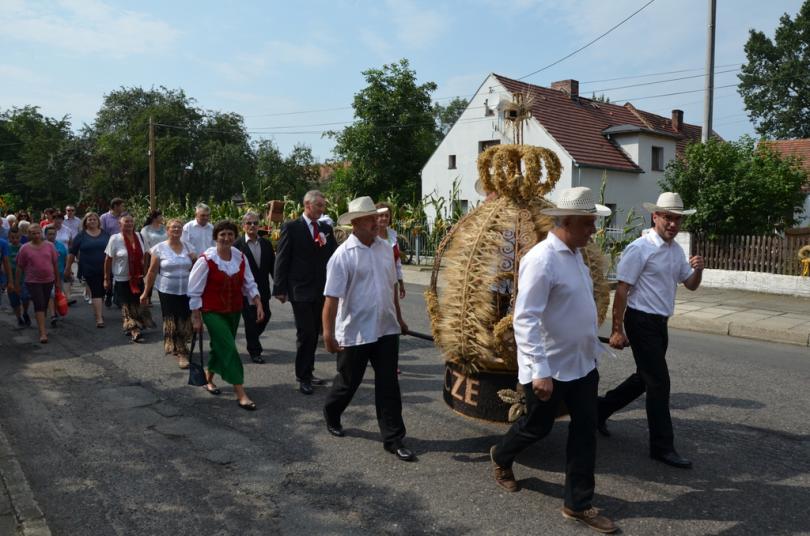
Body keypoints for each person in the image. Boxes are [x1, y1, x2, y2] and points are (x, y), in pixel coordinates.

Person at [489, 187, 617, 534]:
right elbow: (525, 319)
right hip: (550, 367)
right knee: (537, 426)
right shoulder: (541, 259)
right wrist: (540, 372)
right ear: (568, 221)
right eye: (589, 222)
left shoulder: (576, 254)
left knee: (584, 433)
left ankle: (578, 504)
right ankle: (501, 456)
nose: (593, 229)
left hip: (582, 364)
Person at [598, 192, 704, 470]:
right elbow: (622, 290)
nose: (672, 223)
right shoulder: (640, 248)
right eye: (667, 217)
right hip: (641, 321)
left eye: (677, 219)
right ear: (654, 216)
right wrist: (617, 329)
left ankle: (599, 409)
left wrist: (698, 270)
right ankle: (662, 447)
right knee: (659, 383)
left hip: (660, 323)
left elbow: (690, 284)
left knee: (644, 379)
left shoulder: (675, 250)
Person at [322, 197, 413, 462]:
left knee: (389, 385)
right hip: (356, 331)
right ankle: (332, 412)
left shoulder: (385, 248)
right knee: (348, 382)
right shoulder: (342, 255)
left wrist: (399, 317)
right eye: (372, 219)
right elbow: (331, 298)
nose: (377, 222)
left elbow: (391, 286)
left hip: (386, 328)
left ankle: (394, 438)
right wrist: (328, 334)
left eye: (378, 217)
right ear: (357, 223)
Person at [188, 220, 264, 410]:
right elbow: (194, 290)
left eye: (230, 234)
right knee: (229, 347)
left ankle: (208, 378)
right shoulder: (206, 260)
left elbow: (249, 283)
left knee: (219, 346)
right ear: (216, 237)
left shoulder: (240, 257)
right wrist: (196, 316)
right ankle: (240, 392)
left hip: (234, 310)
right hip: (212, 311)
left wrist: (258, 302)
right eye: (222, 234)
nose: (226, 238)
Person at [273, 190, 338, 395]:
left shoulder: (326, 229)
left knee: (314, 332)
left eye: (323, 205)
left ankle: (308, 371)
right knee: (306, 333)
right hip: (299, 289)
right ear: (307, 205)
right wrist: (280, 289)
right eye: (319, 205)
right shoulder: (292, 227)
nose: (322, 209)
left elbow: (335, 257)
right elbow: (282, 258)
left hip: (321, 288)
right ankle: (303, 376)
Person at [141, 219, 194, 369]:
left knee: (185, 319)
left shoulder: (188, 247)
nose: (176, 230)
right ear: (167, 231)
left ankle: (180, 346)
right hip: (167, 290)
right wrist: (146, 292)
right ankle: (180, 350)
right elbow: (151, 272)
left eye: (179, 227)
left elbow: (197, 266)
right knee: (172, 319)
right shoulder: (159, 249)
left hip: (186, 289)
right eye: (173, 227)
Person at [104, 214, 155, 342]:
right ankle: (134, 329)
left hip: (138, 277)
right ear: (120, 224)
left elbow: (146, 254)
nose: (129, 224)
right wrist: (106, 278)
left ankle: (137, 323)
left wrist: (146, 271)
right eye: (126, 222)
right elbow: (108, 260)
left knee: (137, 303)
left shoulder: (140, 236)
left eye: (131, 222)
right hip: (122, 278)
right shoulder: (115, 239)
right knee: (126, 305)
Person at [234, 211, 275, 364]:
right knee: (251, 320)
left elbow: (273, 266)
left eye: (255, 223)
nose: (252, 226)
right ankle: (255, 351)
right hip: (245, 291)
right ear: (243, 226)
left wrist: (279, 285)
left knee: (266, 316)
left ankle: (252, 337)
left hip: (263, 289)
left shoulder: (266, 243)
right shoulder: (237, 245)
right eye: (249, 223)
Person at [15, 225, 60, 344]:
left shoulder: (50, 246)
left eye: (38, 233)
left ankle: (42, 325)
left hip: (49, 280)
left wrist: (58, 281)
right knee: (39, 303)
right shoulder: (24, 248)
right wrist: (17, 284)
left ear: (41, 233)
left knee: (44, 304)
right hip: (33, 281)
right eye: (33, 233)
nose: (36, 236)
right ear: (29, 234)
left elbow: (55, 264)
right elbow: (19, 267)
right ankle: (43, 332)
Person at [66, 212, 109, 328]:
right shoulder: (81, 236)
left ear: (98, 221)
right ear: (85, 222)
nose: (92, 221)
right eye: (89, 219)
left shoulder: (106, 235)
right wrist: (68, 267)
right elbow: (72, 252)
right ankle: (99, 318)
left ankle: (98, 311)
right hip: (89, 268)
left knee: (102, 292)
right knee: (96, 292)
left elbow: (112, 251)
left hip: (105, 268)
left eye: (94, 219)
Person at [375, 202, 406, 300]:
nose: (384, 218)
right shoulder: (371, 238)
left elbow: (397, 263)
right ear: (375, 217)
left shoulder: (392, 237)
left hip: (391, 283)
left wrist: (401, 282)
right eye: (381, 215)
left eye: (387, 216)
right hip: (375, 284)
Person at [100, 198, 125, 307]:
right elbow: (102, 232)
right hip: (109, 247)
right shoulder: (104, 217)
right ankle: (108, 294)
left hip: (122, 248)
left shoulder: (124, 217)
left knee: (121, 272)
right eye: (121, 206)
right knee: (109, 272)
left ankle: (118, 297)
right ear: (115, 206)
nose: (123, 208)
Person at [44, 225, 68, 327]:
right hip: (47, 275)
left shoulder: (61, 246)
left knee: (58, 293)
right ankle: (53, 315)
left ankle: (55, 311)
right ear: (45, 235)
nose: (51, 236)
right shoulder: (42, 246)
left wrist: (68, 270)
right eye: (49, 234)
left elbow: (66, 258)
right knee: (51, 294)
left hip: (60, 274)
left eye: (53, 234)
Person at [6, 227, 30, 327]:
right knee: (14, 301)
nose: (15, 239)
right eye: (13, 237)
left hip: (23, 278)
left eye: (17, 237)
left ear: (20, 237)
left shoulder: (24, 248)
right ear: (9, 238)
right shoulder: (6, 248)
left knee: (25, 298)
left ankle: (25, 312)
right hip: (10, 279)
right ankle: (19, 317)